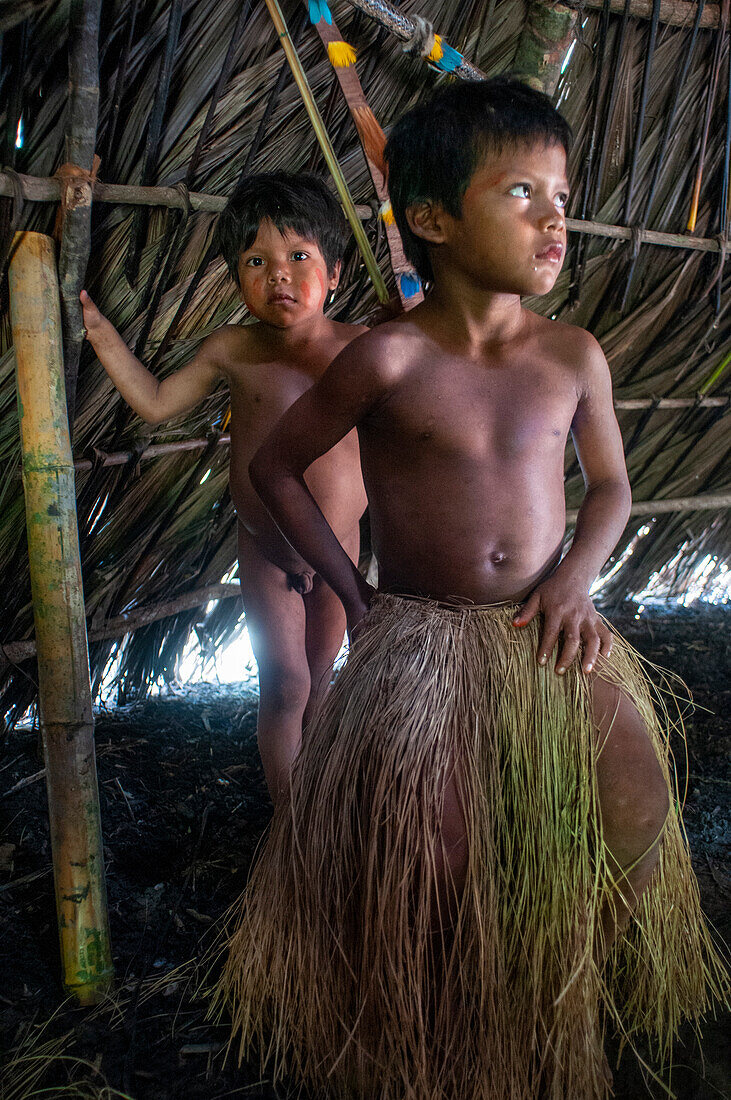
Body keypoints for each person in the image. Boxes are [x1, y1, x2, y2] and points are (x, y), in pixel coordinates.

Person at [214, 81, 728, 1098]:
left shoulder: (569, 354)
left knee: (633, 797)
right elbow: (277, 467)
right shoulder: (388, 357)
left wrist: (578, 580)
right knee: (433, 846)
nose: (553, 218)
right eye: (521, 191)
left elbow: (613, 487)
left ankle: (562, 983)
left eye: (560, 195)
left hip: (547, 627)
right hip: (421, 635)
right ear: (434, 219)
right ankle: (437, 1021)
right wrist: (352, 597)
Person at [81, 172, 367, 802]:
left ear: (336, 272)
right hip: (266, 552)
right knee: (286, 684)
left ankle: (316, 803)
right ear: (237, 279)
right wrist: (101, 334)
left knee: (323, 678)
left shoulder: (366, 351)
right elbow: (157, 403)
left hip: (340, 551)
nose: (279, 276)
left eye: (299, 257)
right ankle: (288, 824)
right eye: (256, 262)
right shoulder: (233, 348)